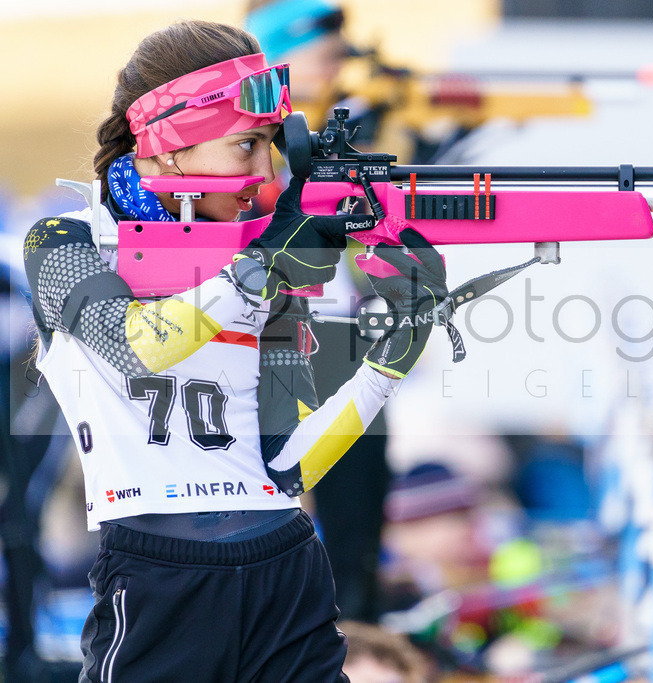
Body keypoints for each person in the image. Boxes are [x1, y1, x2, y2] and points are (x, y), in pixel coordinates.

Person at [22, 20, 447, 681]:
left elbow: (288, 467)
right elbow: (135, 346)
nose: (266, 172)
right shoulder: (64, 240)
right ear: (167, 146)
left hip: (288, 567)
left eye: (272, 144)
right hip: (158, 576)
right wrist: (259, 267)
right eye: (246, 144)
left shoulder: (263, 259)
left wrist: (394, 352)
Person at [245, 0, 396, 622]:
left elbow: (373, 245)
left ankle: (357, 632)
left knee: (358, 517)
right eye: (323, 58)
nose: (336, 70)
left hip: (342, 337)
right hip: (268, 339)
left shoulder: (348, 124)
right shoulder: (248, 139)